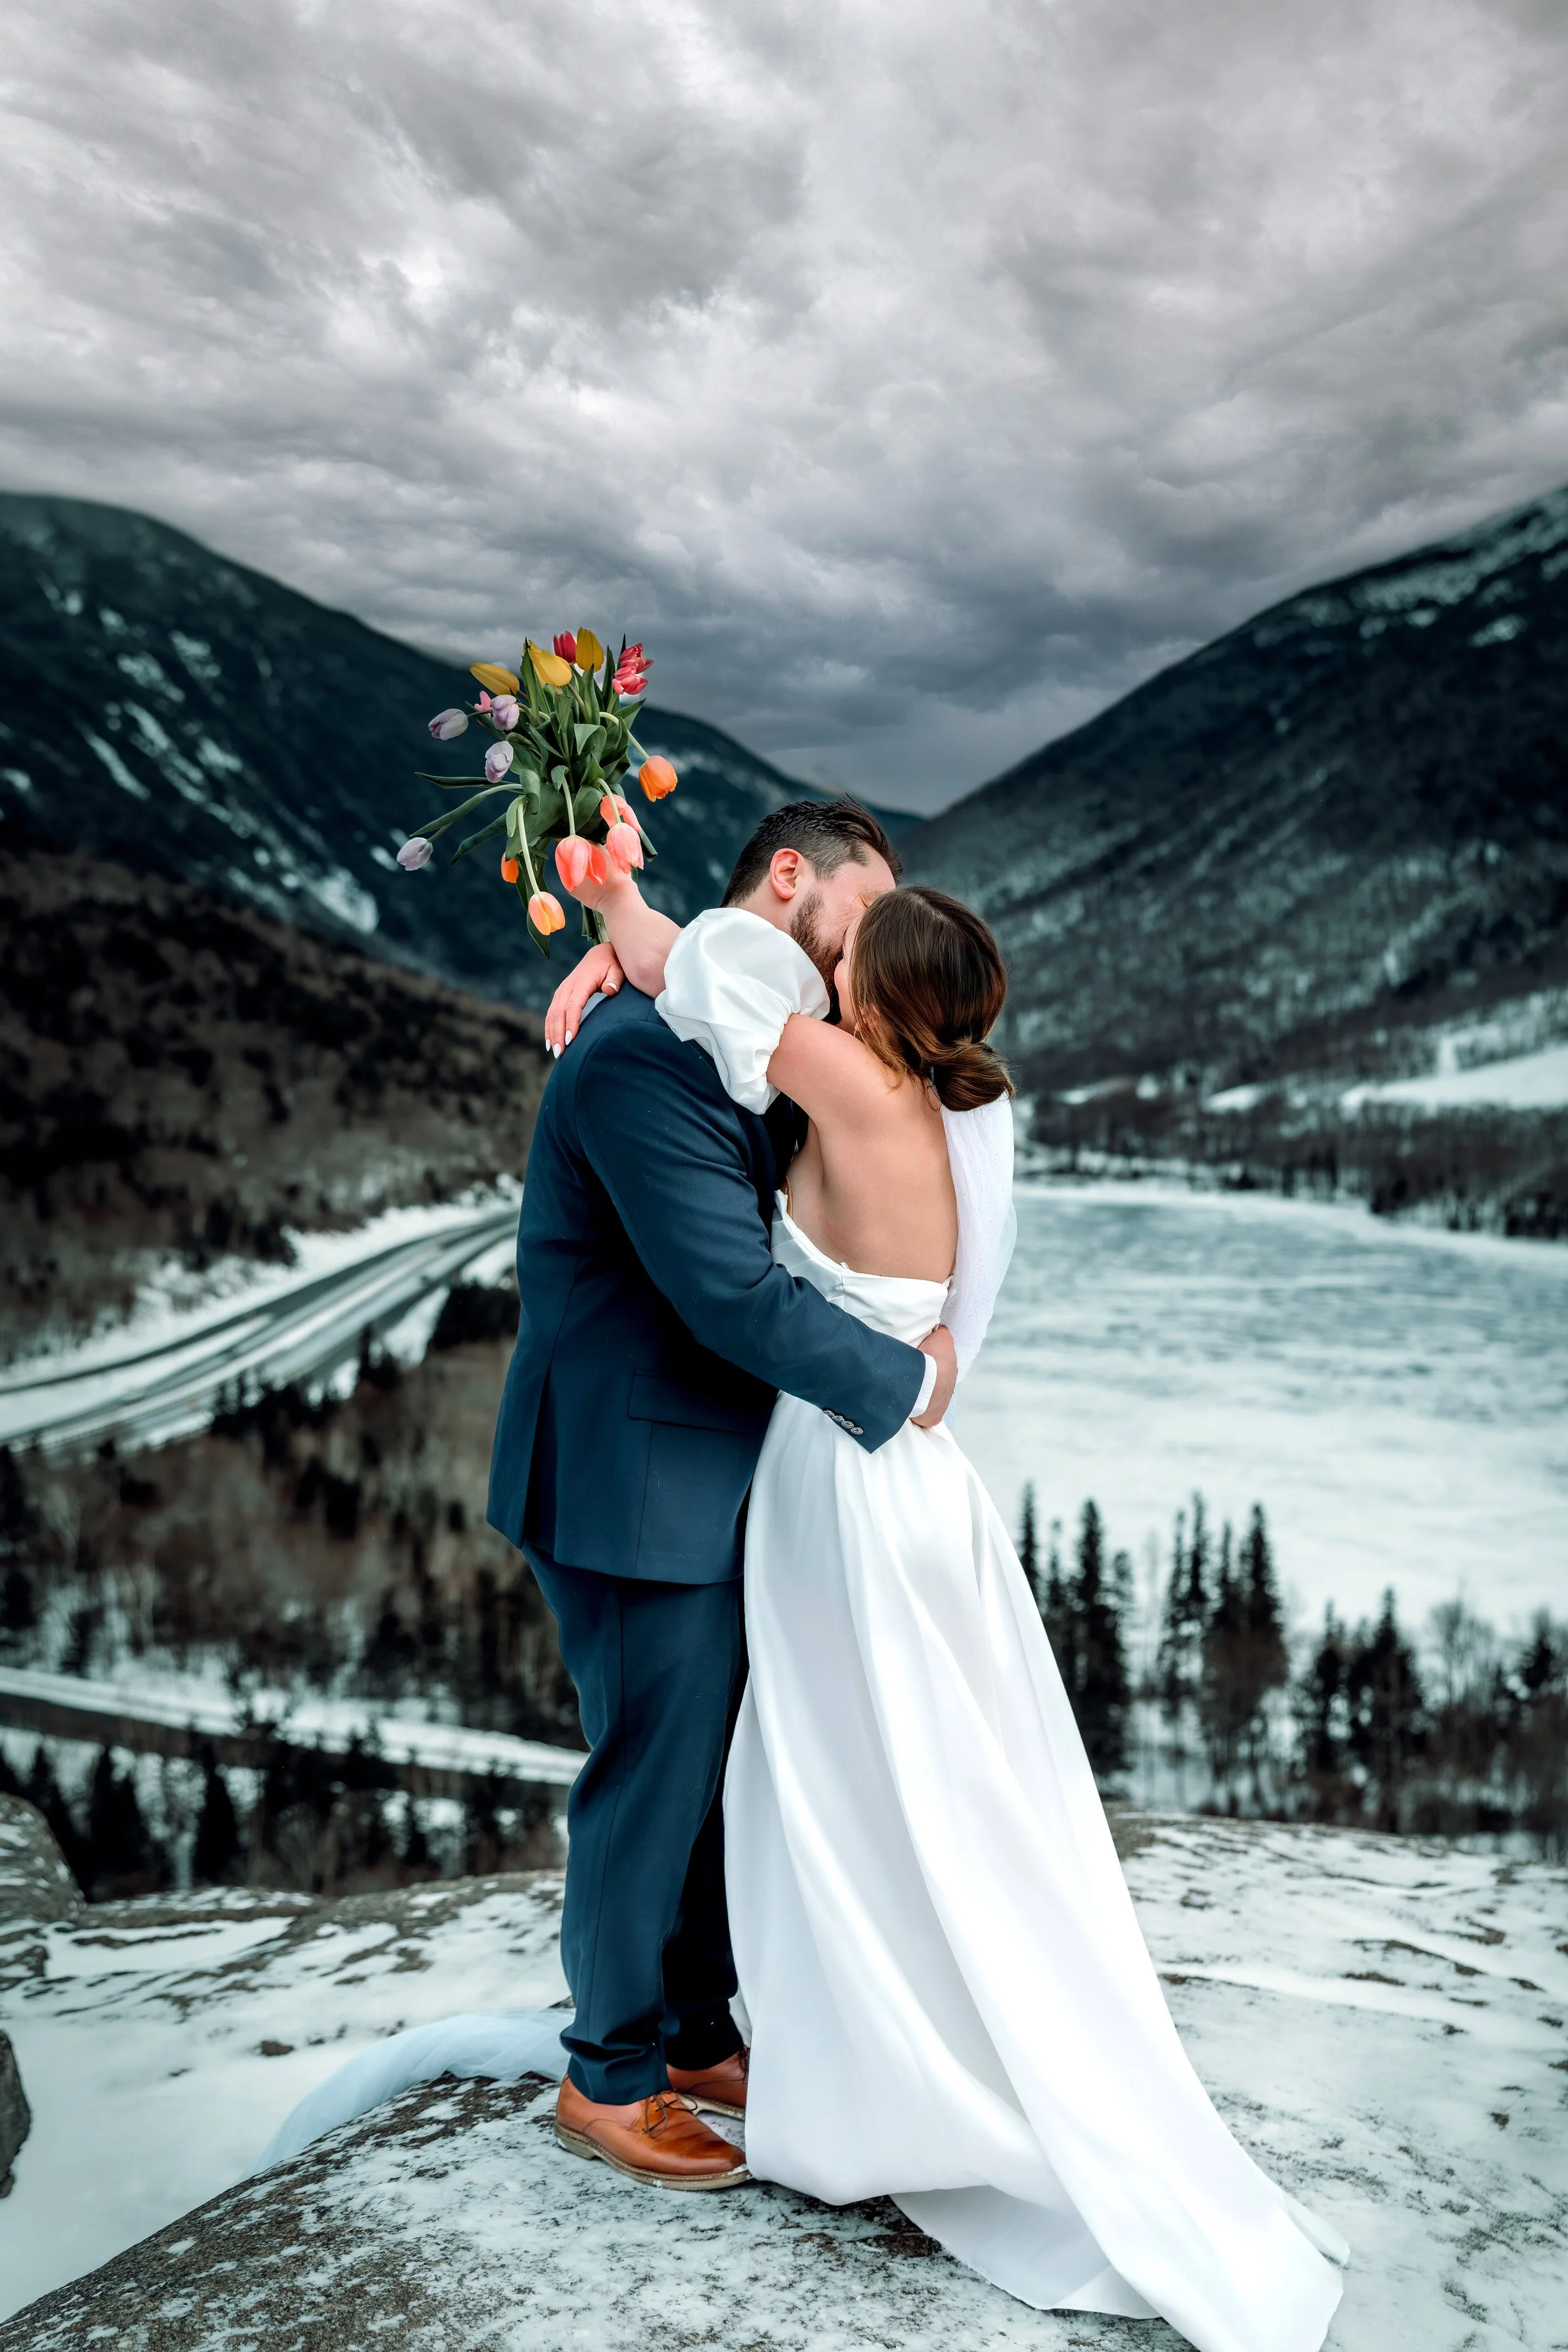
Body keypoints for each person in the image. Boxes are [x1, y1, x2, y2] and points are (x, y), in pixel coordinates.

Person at [537, 851, 1350, 2351]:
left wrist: (607, 903)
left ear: (870, 1001)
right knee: (893, 1766)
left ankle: (696, 2060)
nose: (824, 973)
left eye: (846, 963)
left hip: (838, 1471)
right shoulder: (953, 1112)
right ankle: (751, 2033)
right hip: (912, 1483)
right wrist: (921, 1381)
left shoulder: (837, 1086)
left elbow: (704, 968)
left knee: (829, 1772)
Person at [485, 800, 960, 2191]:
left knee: (706, 1770)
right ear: (792, 879)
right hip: (629, 1478)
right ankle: (611, 2078)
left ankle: (695, 2029)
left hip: (704, 1470)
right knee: (650, 1774)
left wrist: (632, 938)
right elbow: (727, 1294)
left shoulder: (714, 1021)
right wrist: (904, 1386)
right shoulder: (639, 1062)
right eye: (863, 917)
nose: (867, 952)